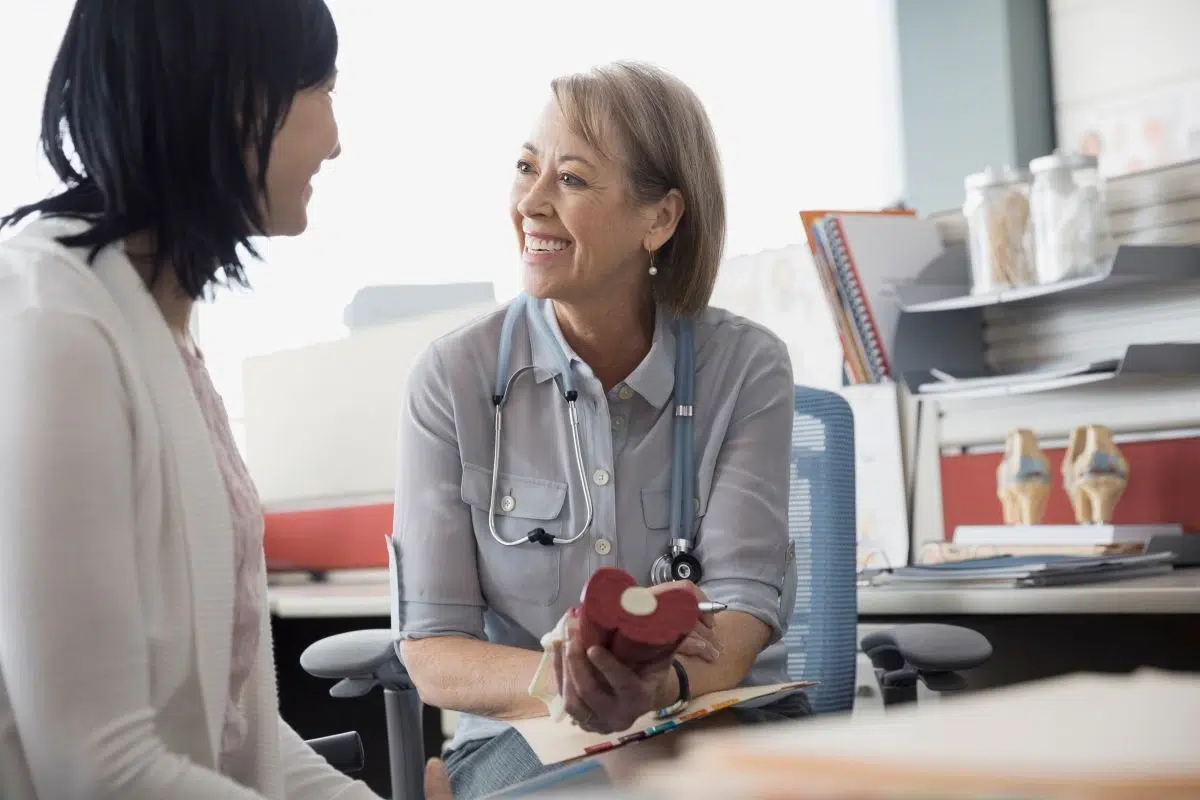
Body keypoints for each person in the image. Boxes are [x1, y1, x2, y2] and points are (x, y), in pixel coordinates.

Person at [394, 61, 811, 799]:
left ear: (660, 219)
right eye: (527, 168)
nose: (531, 200)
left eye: (573, 180)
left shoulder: (745, 369)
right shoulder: (452, 378)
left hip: (707, 712)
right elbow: (433, 649)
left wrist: (656, 690)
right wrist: (570, 685)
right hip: (530, 731)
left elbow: (743, 610)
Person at [0, 1, 382, 797]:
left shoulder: (161, 328)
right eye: (323, 91)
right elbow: (98, 772)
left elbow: (227, 722)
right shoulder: (56, 324)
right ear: (239, 98)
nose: (338, 141)